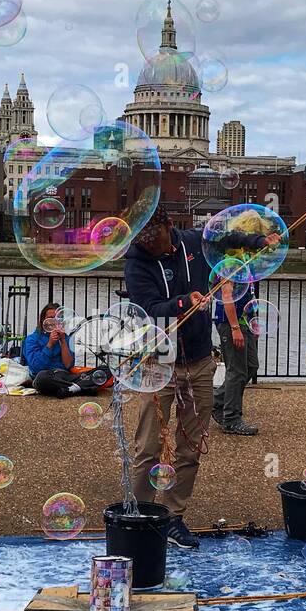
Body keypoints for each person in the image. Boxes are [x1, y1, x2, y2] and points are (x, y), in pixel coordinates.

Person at [122, 209, 278, 548]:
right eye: (142, 240)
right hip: (157, 360)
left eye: (153, 237)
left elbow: (227, 238)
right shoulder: (136, 261)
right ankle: (139, 517)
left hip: (198, 357)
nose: (148, 244)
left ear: (167, 227)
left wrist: (258, 240)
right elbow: (146, 306)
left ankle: (174, 516)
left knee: (191, 446)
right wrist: (183, 301)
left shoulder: (194, 241)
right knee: (149, 447)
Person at [212, 279, 260, 435]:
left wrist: (254, 322)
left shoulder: (245, 263)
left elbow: (250, 296)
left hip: (245, 322)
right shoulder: (230, 263)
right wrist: (234, 328)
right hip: (231, 324)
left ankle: (217, 401)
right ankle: (231, 419)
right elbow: (227, 296)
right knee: (237, 371)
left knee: (251, 365)